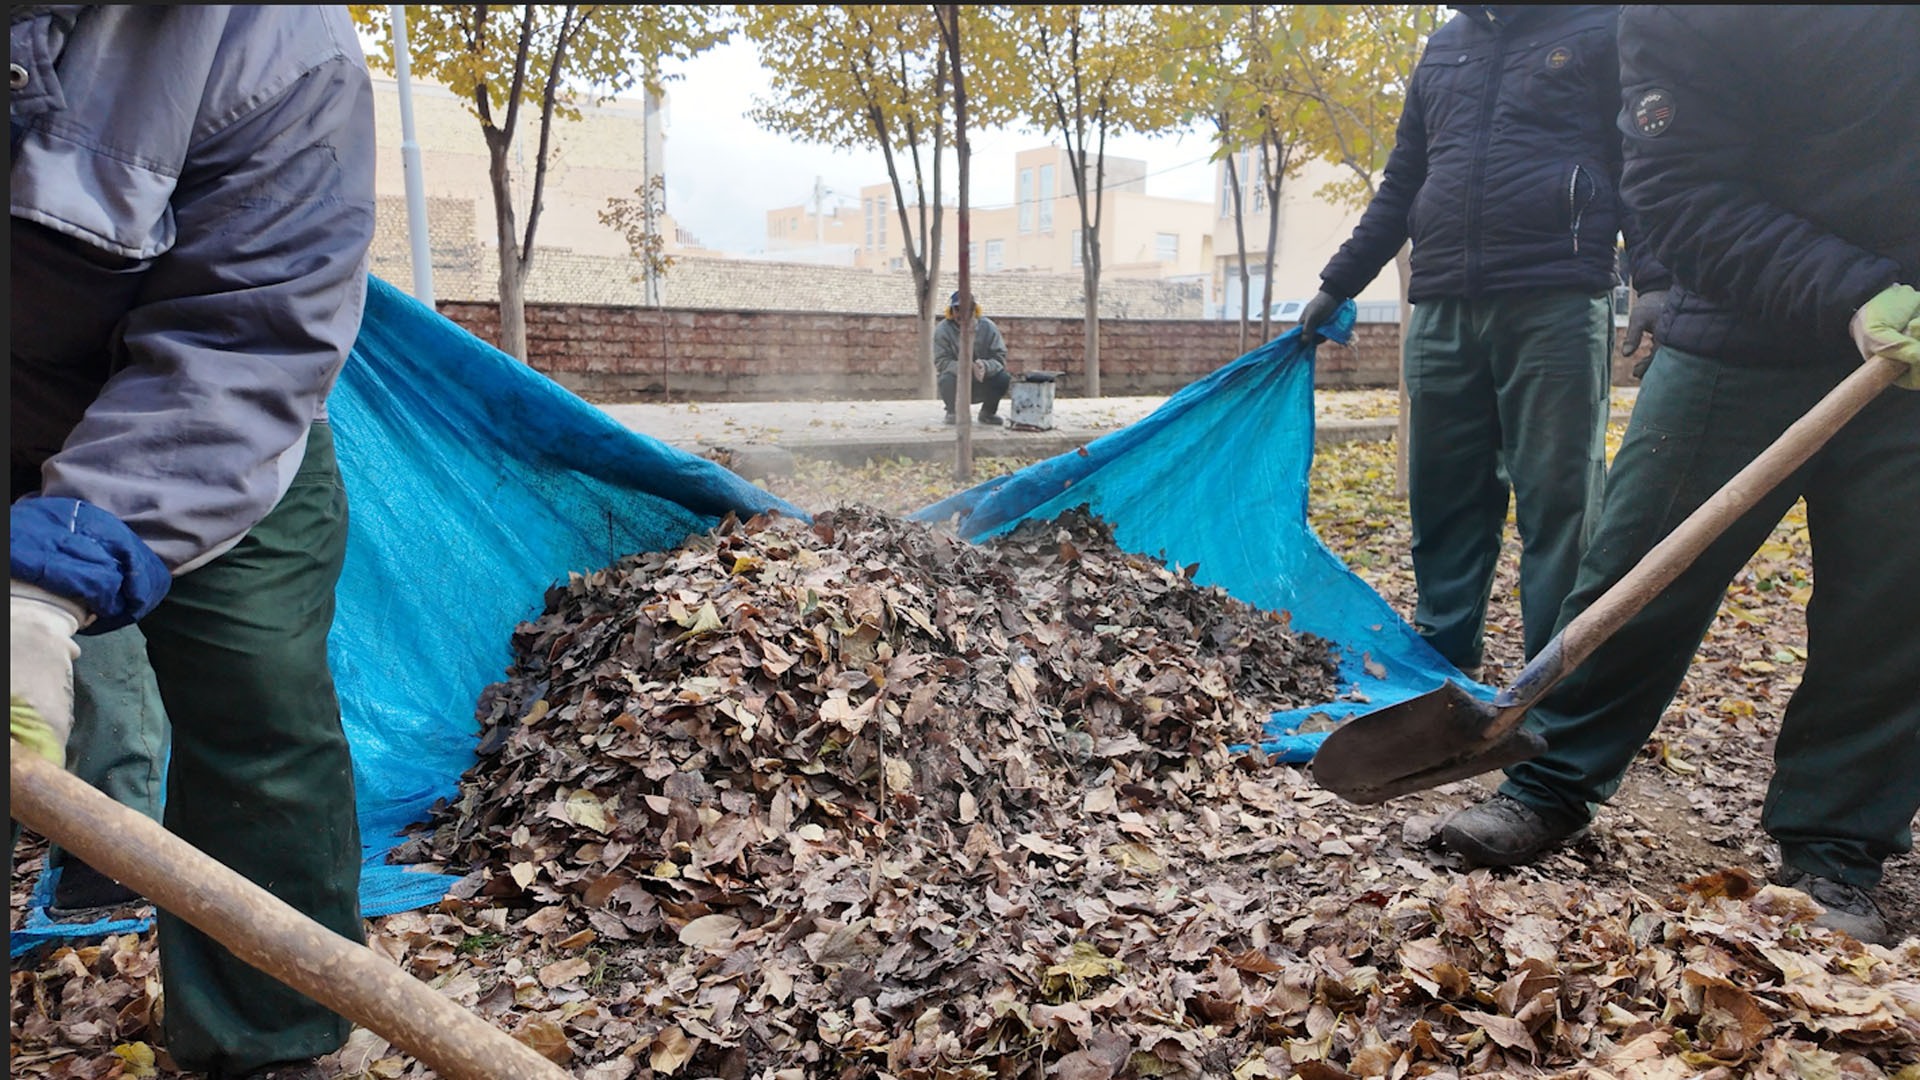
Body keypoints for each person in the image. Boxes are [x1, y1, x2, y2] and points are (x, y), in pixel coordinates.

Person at [1438, 5, 1920, 947]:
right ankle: (1551, 775)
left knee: (1891, 610)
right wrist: (1850, 290)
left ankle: (1836, 844)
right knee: (1638, 570)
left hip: (1916, 354)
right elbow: (1673, 190)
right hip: (1740, 325)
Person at [10, 6, 377, 1076]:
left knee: (259, 714)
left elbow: (245, 338)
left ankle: (272, 1043)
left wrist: (45, 579)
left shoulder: (280, 47)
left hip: (214, 424)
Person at [1297, 5, 1664, 680]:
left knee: (1561, 501)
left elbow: (1634, 163)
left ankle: (1556, 681)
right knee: (1444, 495)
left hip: (1554, 297)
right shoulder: (1443, 48)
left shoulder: (1599, 27)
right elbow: (1403, 182)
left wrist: (1654, 278)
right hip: (1441, 305)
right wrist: (1339, 282)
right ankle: (1442, 665)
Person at [933, 291, 1012, 426]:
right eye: (958, 309)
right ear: (951, 311)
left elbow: (1000, 357)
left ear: (975, 310)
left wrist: (985, 366)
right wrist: (965, 367)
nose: (962, 315)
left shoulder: (989, 327)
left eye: (967, 310)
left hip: (983, 379)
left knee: (1003, 378)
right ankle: (953, 412)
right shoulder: (942, 330)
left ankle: (988, 413)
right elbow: (941, 362)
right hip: (957, 379)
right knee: (945, 379)